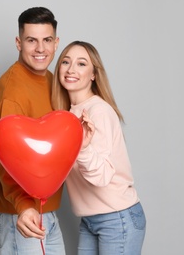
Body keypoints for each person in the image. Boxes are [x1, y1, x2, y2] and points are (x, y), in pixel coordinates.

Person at [51, 41, 146, 255]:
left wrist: (83, 148)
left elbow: (102, 176)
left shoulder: (98, 111)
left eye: (81, 64)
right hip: (90, 220)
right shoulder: (66, 115)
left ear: (94, 74)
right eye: (66, 61)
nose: (71, 69)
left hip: (117, 218)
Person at [0, 7, 65, 255]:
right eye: (32, 40)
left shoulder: (52, 81)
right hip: (19, 213)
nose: (40, 49)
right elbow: (8, 158)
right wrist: (23, 207)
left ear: (56, 42)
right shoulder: (13, 92)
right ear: (19, 43)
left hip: (43, 208)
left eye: (47, 40)